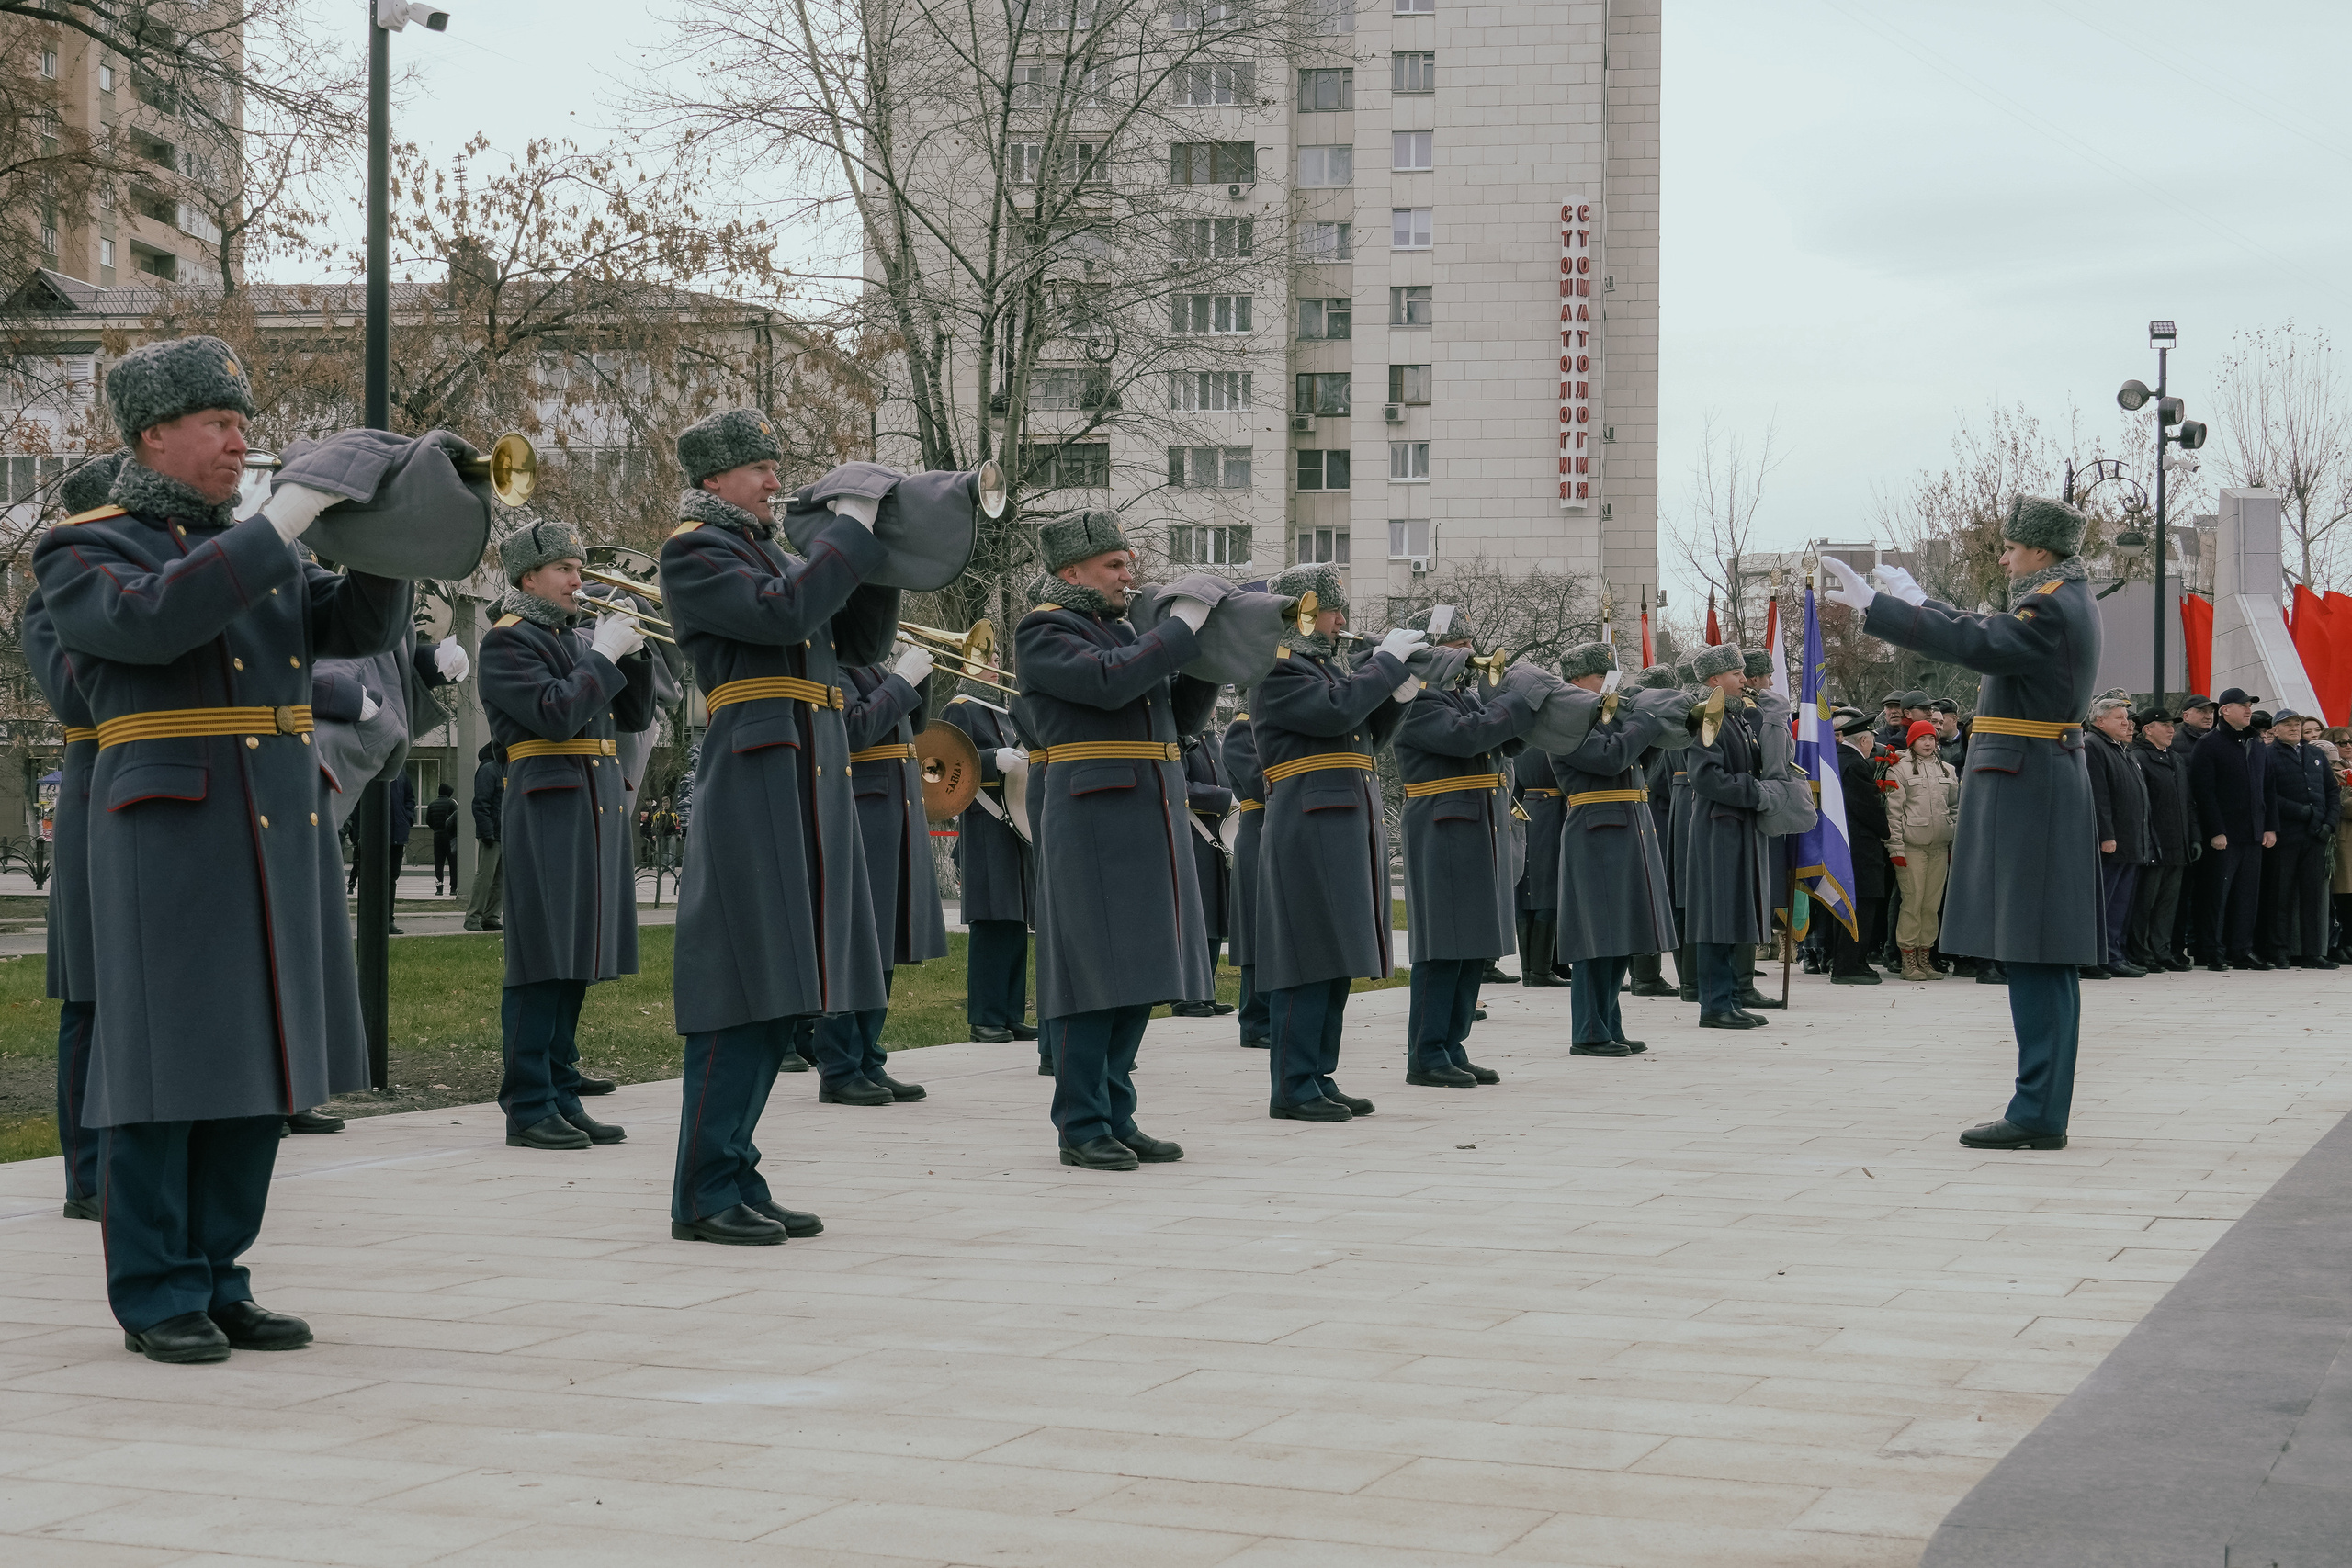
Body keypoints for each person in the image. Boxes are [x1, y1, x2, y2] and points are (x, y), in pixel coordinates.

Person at [35, 334, 408, 1360]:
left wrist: (390, 533)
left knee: (258, 1063)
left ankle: (219, 1274)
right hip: (166, 829)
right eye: (219, 425)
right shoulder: (83, 547)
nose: (241, 445)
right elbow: (151, 625)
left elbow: (348, 618)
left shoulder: (248, 546)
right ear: (155, 435)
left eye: (243, 426)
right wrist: (281, 523)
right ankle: (156, 1292)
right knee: (164, 1070)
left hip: (271, 828)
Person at [662, 409, 891, 1240]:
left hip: (802, 774)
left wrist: (880, 550)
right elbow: (783, 616)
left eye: (773, 463)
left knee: (780, 992)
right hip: (755, 774)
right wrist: (846, 537)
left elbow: (859, 637)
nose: (773, 480)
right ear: (714, 480)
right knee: (740, 990)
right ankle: (704, 1189)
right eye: (758, 467)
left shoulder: (774, 551)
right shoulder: (694, 548)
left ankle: (734, 1166)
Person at [1822, 494, 2100, 1151]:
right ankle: (2040, 1105)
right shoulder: (2058, 597)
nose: (2003, 556)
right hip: (2034, 779)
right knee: (2039, 953)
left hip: (2030, 784)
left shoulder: (2053, 603)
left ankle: (2037, 1111)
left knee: (2036, 952)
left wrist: (1880, 609)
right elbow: (1988, 631)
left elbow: (1982, 642)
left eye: (2010, 546)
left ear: (2039, 549)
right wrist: (1919, 600)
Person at [1013, 510, 1214, 1167]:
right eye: (1114, 565)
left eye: (1129, 564)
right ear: (1072, 571)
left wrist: (1210, 659)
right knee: (1091, 975)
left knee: (1137, 974)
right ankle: (1080, 1123)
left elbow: (1174, 715)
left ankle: (1115, 1110)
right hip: (1093, 816)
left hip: (1145, 809)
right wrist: (1178, 632)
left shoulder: (1125, 631)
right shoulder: (1044, 628)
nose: (1130, 576)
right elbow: (1109, 681)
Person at [481, 517, 657, 1155]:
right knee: (540, 959)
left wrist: (634, 654)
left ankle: (560, 1089)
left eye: (579, 569)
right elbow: (555, 713)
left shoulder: (571, 635)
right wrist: (603, 654)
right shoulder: (506, 641)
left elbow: (635, 714)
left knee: (576, 953)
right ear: (530, 575)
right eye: (566, 570)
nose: (579, 581)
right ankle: (527, 1103)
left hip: (593, 804)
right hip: (548, 804)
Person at [1253, 563, 1424, 1120]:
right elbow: (1337, 713)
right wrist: (1384, 666)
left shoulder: (1325, 672)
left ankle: (1317, 1073)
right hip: (1308, 822)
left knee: (1336, 954)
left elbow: (1365, 738)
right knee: (1308, 954)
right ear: (1303, 613)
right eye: (1332, 611)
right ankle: (1292, 1083)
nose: (1341, 621)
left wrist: (1399, 692)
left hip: (1342, 820)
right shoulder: (1277, 670)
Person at [27, 449, 124, 1220]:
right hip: (100, 792)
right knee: (90, 999)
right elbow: (77, 693)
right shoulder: (55, 597)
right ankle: (86, 1175)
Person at [1392, 609, 1545, 1086]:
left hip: (1474, 823)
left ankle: (1451, 1044)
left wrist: (1518, 712)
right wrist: (1516, 705)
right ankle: (1427, 1052)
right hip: (1443, 825)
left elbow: (1498, 741)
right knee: (1443, 946)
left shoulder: (1460, 697)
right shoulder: (1415, 698)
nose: (1468, 654)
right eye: (1457, 645)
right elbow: (1466, 739)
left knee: (1470, 944)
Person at [814, 649, 948, 1102]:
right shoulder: (833, 663)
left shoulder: (868, 664)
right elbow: (853, 730)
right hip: (862, 806)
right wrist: (900, 678)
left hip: (893, 806)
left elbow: (918, 722)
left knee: (885, 939)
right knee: (854, 940)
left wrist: (913, 675)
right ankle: (838, 1066)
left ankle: (868, 1058)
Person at [1548, 642, 1680, 1055]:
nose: (1611, 683)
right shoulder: (1565, 721)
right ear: (1574, 682)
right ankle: (1588, 1031)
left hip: (1628, 827)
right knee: (1595, 937)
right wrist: (1645, 720)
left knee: (1620, 933)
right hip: (1595, 830)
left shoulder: (1607, 716)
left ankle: (1609, 1024)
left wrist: (1654, 738)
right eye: (1599, 676)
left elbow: (1638, 768)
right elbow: (1610, 758)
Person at [937, 692, 1040, 1051]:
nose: (994, 661)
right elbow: (941, 763)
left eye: (996, 654)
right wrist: (989, 758)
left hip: (1013, 827)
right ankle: (985, 1017)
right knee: (990, 922)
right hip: (984, 828)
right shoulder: (962, 708)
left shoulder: (1005, 710)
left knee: (1014, 921)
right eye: (989, 656)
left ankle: (1010, 1013)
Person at [1679, 645, 1773, 1025]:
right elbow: (1705, 777)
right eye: (1736, 673)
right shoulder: (1706, 717)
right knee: (1717, 916)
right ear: (1714, 679)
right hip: (1718, 824)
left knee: (1733, 913)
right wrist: (1753, 791)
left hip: (1736, 825)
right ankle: (1715, 1005)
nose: (1744, 679)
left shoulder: (1736, 718)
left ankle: (1730, 998)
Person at [2188, 688, 2277, 970]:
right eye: (2242, 705)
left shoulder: (2256, 742)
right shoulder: (2209, 744)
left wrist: (2270, 827)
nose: (2248, 709)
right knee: (2217, 894)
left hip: (2253, 832)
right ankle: (2210, 949)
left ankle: (2241, 948)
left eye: (2250, 705)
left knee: (2247, 895)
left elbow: (2268, 788)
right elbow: (2204, 792)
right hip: (2225, 834)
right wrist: (2215, 830)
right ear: (2225, 710)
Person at [2262, 711, 2339, 969]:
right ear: (2275, 729)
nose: (2294, 728)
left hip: (2316, 836)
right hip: (2286, 835)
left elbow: (2331, 790)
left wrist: (2329, 823)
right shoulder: (2267, 755)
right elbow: (2268, 795)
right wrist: (2301, 812)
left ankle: (2314, 951)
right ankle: (2279, 950)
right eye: (2287, 724)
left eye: (2297, 724)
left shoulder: (2314, 754)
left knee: (2313, 897)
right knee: (2280, 895)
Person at [1884, 718, 1960, 980]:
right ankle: (1908, 961)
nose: (1928, 743)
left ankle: (1924, 958)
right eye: (1922, 739)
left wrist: (1953, 840)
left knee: (1931, 905)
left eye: (1931, 738)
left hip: (1939, 848)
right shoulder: (1899, 769)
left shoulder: (1948, 770)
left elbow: (1954, 809)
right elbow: (1893, 813)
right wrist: (1896, 849)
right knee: (1912, 902)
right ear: (1912, 742)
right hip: (1912, 847)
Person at [1170, 725, 1237, 1019]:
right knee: (1192, 918)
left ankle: (1204, 991)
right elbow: (1178, 786)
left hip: (1216, 839)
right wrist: (1224, 798)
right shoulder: (1180, 738)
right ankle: (1185, 995)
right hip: (1192, 836)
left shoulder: (1214, 739)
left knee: (1212, 918)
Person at [2083, 695, 2150, 980]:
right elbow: (2099, 795)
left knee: (2121, 903)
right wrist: (2106, 834)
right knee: (2105, 903)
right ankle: (2097, 957)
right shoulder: (2093, 746)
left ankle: (2115, 954)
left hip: (2130, 840)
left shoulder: (2122, 749)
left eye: (2128, 717)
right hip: (2111, 842)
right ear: (2100, 721)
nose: (2127, 723)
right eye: (2119, 718)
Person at [1222, 694, 1272, 1048]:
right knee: (1259, 932)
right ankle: (1255, 1022)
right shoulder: (1242, 730)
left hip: (1279, 831)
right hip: (1257, 833)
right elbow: (1260, 784)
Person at [1827, 708, 1890, 985]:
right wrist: (1886, 830)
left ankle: (1853, 960)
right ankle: (1848, 965)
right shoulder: (1854, 765)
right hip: (1860, 848)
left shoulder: (1837, 760)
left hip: (1843, 847)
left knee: (1848, 906)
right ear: (1864, 741)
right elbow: (1868, 808)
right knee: (1861, 907)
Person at [2130, 708, 2195, 972]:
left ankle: (2162, 950)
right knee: (2146, 901)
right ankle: (2140, 951)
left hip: (2177, 842)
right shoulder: (2139, 757)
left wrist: (2194, 836)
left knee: (2168, 902)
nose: (2171, 730)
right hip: (2154, 843)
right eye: (2164, 725)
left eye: (2172, 725)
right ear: (2147, 729)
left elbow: (2188, 802)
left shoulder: (2176, 759)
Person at [1511, 745, 1567, 988]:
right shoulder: (1553, 737)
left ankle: (1533, 968)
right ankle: (1541, 970)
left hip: (1527, 808)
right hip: (1554, 812)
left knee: (1527, 891)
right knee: (1548, 891)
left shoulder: (1522, 737)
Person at [466, 740, 504, 931]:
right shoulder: (490, 770)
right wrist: (487, 832)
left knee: (500, 880)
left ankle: (491, 916)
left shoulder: (505, 769)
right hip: (493, 834)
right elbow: (480, 804)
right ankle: (473, 917)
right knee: (485, 877)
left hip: (503, 833)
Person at [425, 783, 458, 896]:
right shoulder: (451, 803)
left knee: (439, 863)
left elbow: (428, 821)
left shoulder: (432, 804)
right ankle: (453, 888)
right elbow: (457, 818)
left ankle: (439, 889)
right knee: (453, 863)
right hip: (450, 838)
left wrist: (436, 829)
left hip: (437, 836)